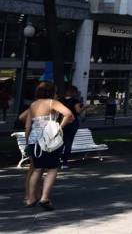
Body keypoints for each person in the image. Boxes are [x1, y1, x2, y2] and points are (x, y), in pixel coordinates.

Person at [24, 81, 75, 211]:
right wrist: (59, 127)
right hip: (49, 138)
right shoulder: (52, 103)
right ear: (52, 92)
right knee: (53, 168)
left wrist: (28, 141)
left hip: (34, 140)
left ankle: (30, 198)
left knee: (37, 169)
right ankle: (44, 198)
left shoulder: (33, 105)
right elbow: (69, 114)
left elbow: (28, 126)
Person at [59, 85, 82, 168]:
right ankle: (64, 162)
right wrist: (85, 108)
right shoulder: (75, 101)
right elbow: (78, 111)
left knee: (60, 142)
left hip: (62, 123)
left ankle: (57, 160)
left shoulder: (60, 100)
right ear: (73, 92)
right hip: (72, 123)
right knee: (68, 143)